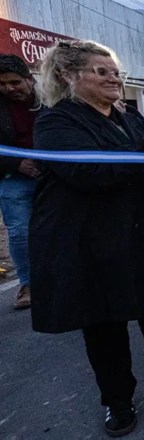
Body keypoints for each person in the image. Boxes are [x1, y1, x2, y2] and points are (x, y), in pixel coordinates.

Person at [31, 40, 144, 437]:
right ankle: (117, 399)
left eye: (116, 72)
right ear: (69, 75)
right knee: (104, 323)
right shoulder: (57, 122)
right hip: (95, 241)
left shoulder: (128, 115)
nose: (114, 78)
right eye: (102, 71)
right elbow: (89, 175)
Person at [0, 54, 41, 310]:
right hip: (13, 177)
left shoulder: (50, 98)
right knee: (19, 233)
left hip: (54, 176)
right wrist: (16, 164)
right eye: (2, 84)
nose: (8, 89)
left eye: (14, 82)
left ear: (29, 79)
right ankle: (28, 284)